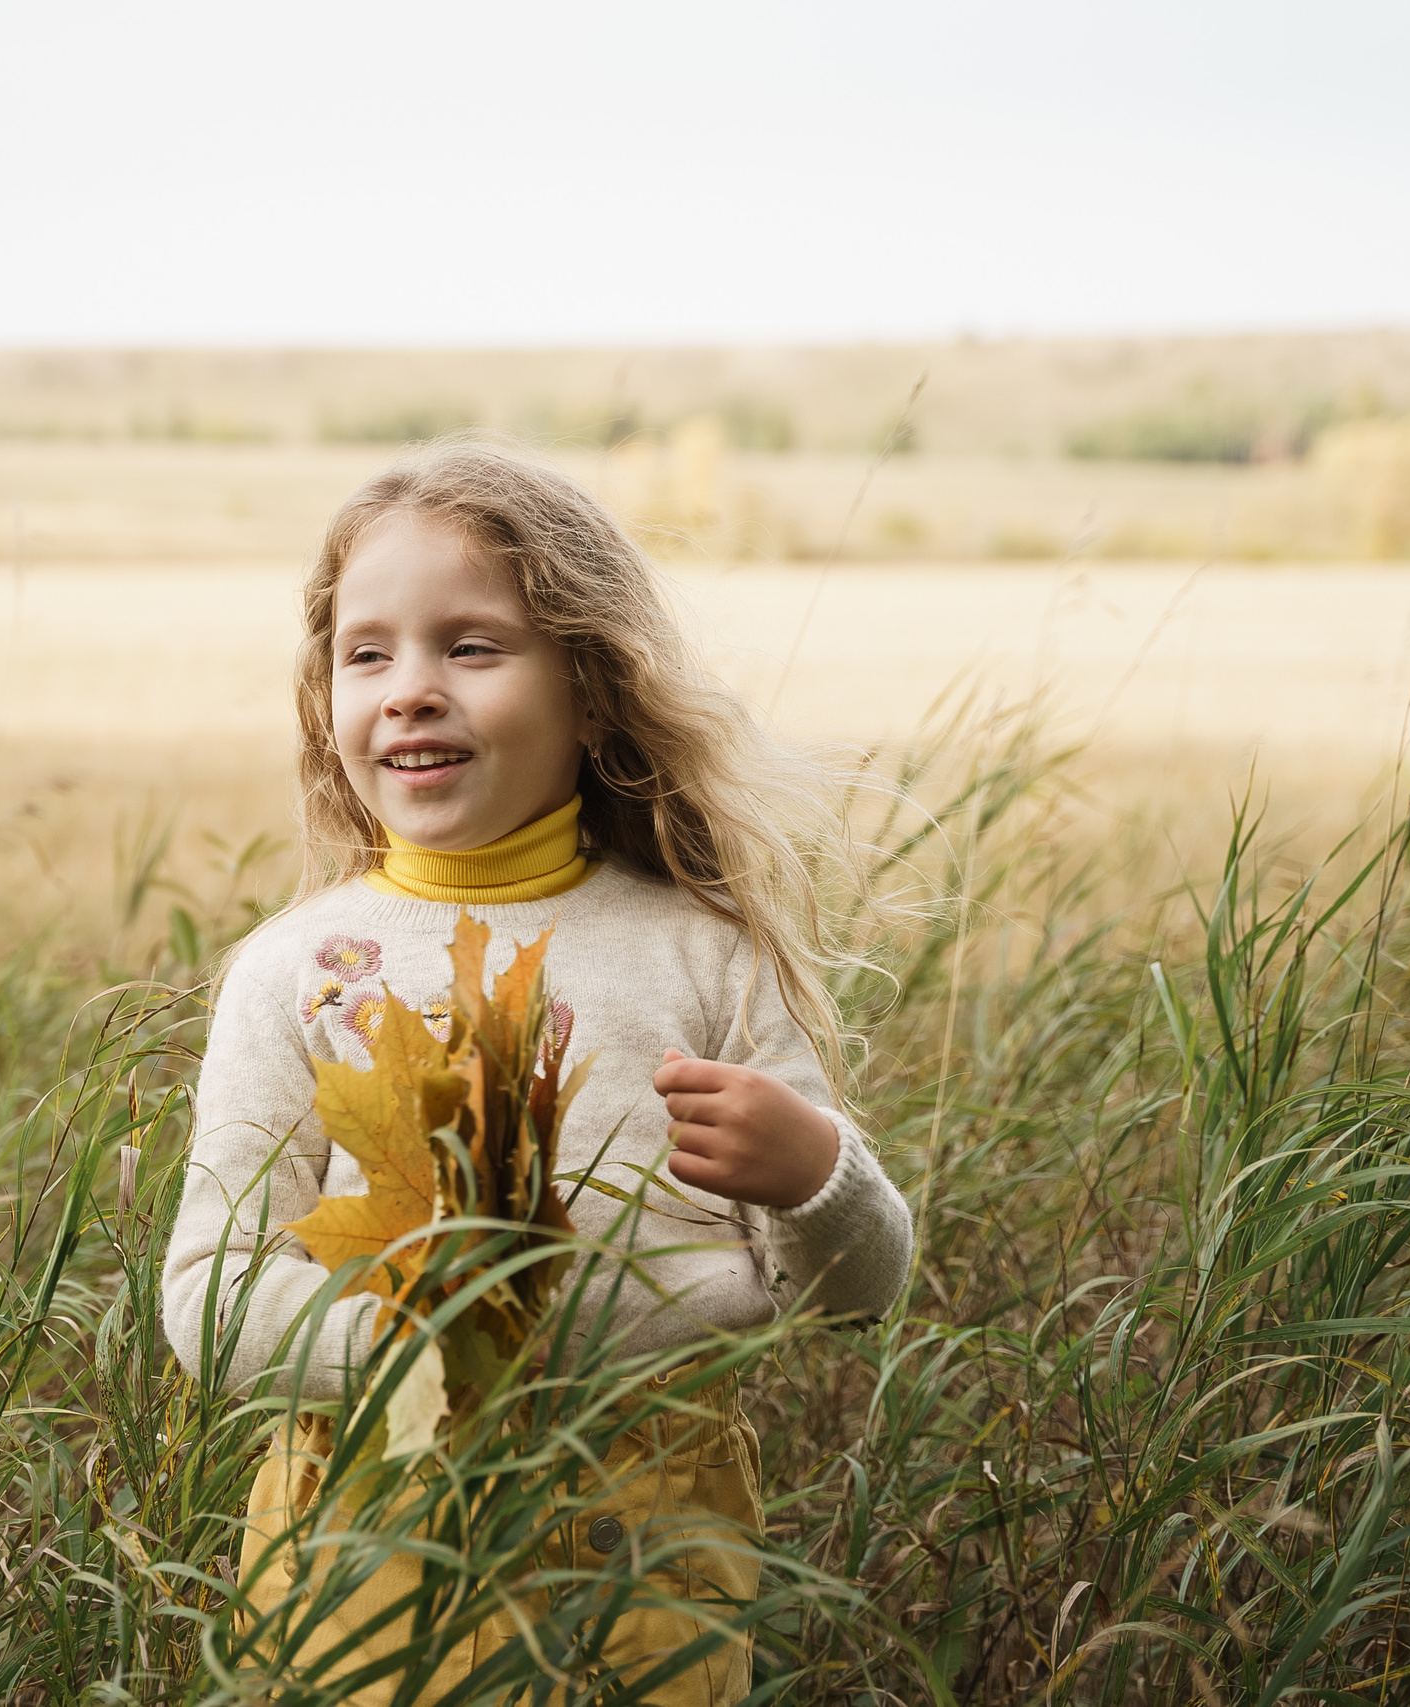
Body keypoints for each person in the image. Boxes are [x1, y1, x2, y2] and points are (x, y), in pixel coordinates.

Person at [161, 440, 914, 1703]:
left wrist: (819, 1176)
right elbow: (209, 1296)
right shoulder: (295, 970)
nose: (408, 689)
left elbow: (850, 1291)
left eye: (469, 646)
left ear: (595, 690)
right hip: (363, 1522)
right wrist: (428, 1352)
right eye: (368, 653)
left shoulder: (705, 956)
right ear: (327, 701)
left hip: (646, 1538)